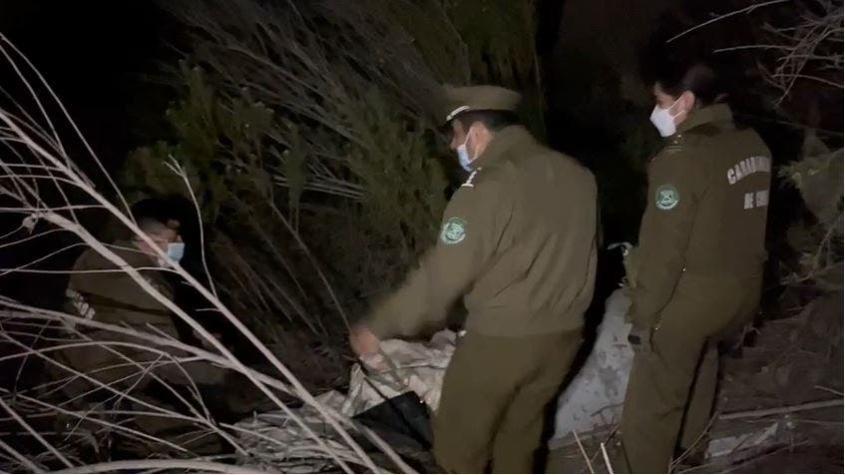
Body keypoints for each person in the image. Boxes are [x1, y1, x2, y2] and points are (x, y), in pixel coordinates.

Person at [349, 85, 598, 473]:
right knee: (519, 440)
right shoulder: (578, 175)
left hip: (502, 343)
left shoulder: (488, 185)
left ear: (478, 133)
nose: (453, 146)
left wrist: (378, 326)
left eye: (456, 134)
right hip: (564, 338)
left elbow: (443, 275)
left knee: (458, 447)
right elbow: (589, 251)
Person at [619, 61, 772, 472]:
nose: (656, 110)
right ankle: (691, 457)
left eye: (660, 101)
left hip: (692, 300)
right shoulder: (751, 143)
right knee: (701, 363)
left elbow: (663, 251)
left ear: (685, 101)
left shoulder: (683, 158)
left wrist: (645, 316)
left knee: (649, 411)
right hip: (740, 293)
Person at [53, 204, 226, 454]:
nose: (180, 246)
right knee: (200, 444)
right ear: (145, 239)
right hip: (105, 394)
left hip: (67, 375)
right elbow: (168, 360)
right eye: (173, 240)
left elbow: (119, 319)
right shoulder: (143, 284)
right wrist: (225, 370)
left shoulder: (96, 257)